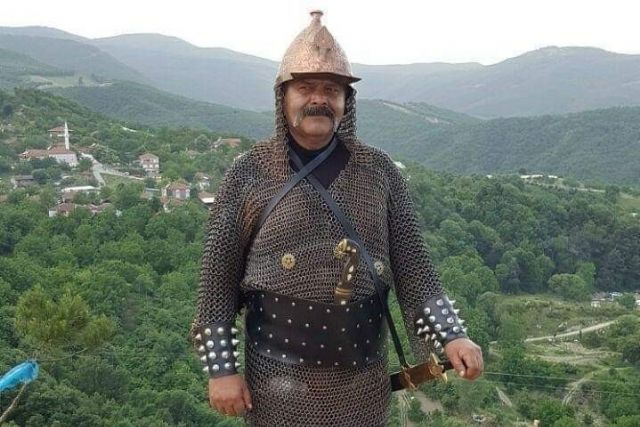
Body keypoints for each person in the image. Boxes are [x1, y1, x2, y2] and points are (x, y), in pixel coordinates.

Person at [190, 11, 483, 426]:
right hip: (278, 379)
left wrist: (452, 335)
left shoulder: (379, 172)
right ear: (283, 96)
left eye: (331, 89)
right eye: (305, 87)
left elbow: (415, 272)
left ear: (346, 101)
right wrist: (221, 370)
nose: (319, 99)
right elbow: (217, 282)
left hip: (360, 379)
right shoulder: (250, 173)